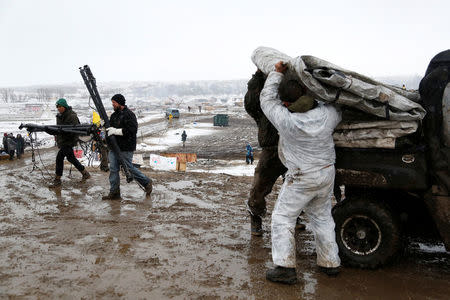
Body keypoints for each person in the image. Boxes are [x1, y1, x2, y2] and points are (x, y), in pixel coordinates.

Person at [261, 61, 342, 284]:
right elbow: (334, 103)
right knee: (322, 217)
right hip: (326, 173)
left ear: (286, 102)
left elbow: (266, 100)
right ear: (306, 94)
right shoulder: (327, 115)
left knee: (282, 218)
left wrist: (276, 74)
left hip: (301, 177)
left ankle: (285, 268)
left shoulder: (286, 120)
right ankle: (330, 263)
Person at [244, 70, 306, 236]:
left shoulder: (294, 101)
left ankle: (295, 218)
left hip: (292, 151)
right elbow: (250, 102)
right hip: (271, 152)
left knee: (296, 187)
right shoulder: (264, 107)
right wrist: (256, 78)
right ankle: (256, 219)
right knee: (258, 188)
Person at [102, 94, 153, 200]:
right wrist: (105, 126)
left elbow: (132, 130)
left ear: (120, 103)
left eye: (114, 103)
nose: (112, 105)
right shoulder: (114, 115)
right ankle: (114, 192)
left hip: (125, 147)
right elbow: (110, 129)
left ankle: (146, 182)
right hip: (114, 147)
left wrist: (116, 131)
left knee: (129, 168)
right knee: (113, 169)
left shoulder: (129, 114)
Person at [49, 98, 90, 187]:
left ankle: (57, 179)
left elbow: (75, 130)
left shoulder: (72, 116)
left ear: (64, 106)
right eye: (57, 107)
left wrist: (64, 134)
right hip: (63, 140)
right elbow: (58, 128)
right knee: (71, 159)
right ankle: (85, 173)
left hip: (69, 141)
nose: (58, 108)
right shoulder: (60, 116)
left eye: (60, 106)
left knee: (59, 158)